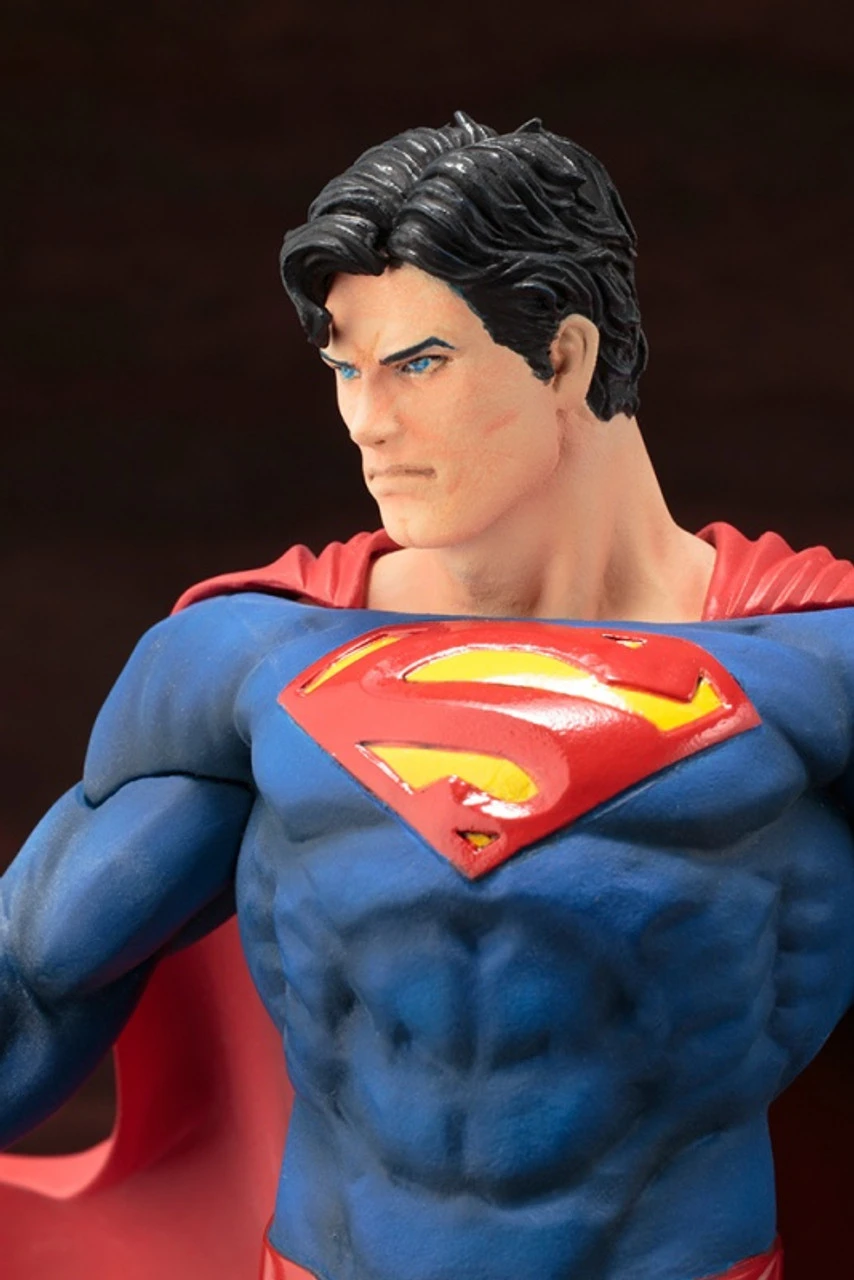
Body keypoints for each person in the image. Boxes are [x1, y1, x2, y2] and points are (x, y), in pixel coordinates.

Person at [2, 111, 853, 1280]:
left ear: (565, 357)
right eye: (343, 370)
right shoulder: (249, 657)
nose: (367, 420)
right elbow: (33, 984)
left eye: (416, 363)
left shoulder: (815, 667)